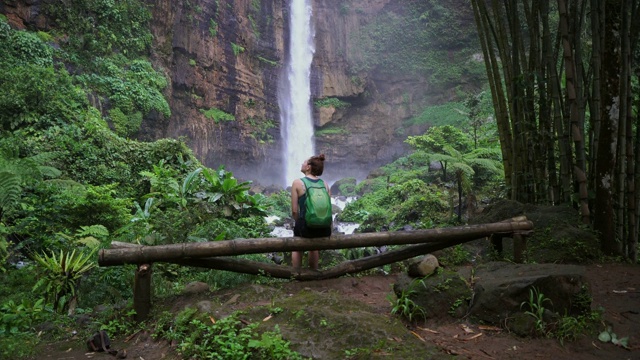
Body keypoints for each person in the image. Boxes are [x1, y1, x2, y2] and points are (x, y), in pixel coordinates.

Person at [291, 154, 332, 271]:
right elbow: (328, 209)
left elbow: (294, 211)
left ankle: (297, 275)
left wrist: (299, 222)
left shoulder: (297, 183)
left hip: (306, 228)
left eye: (304, 162)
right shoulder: (325, 185)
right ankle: (313, 273)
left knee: (296, 246)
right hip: (324, 229)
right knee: (314, 248)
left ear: (308, 167)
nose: (301, 164)